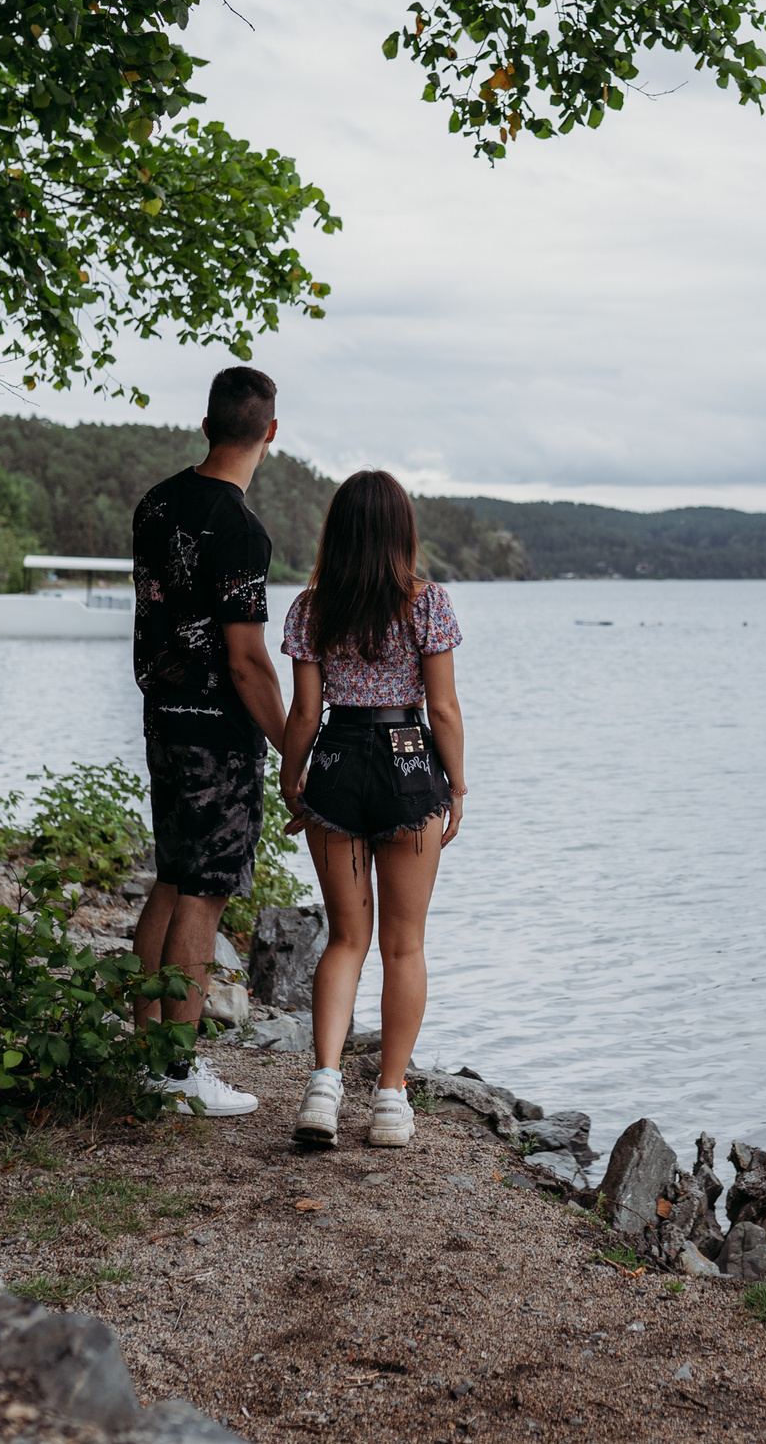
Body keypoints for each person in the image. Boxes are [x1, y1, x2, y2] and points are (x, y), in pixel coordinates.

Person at [278, 471, 467, 1149]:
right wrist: (460, 784)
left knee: (346, 938)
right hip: (410, 758)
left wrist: (291, 776)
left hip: (336, 759)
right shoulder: (428, 604)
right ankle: (390, 1098)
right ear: (401, 533)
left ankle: (323, 1088)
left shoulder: (309, 608)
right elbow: (442, 706)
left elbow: (304, 711)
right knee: (404, 942)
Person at [128, 366, 291, 1116]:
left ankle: (146, 1054)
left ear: (205, 425)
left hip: (162, 716)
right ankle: (176, 1074)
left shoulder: (156, 502)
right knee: (205, 893)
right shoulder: (241, 529)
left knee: (172, 876)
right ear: (271, 432)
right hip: (218, 734)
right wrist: (293, 743)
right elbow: (249, 659)